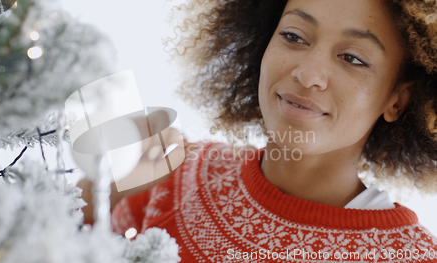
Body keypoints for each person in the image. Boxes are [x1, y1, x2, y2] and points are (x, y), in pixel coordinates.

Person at [81, 0, 437, 261]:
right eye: (294, 36)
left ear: (396, 99)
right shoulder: (174, 167)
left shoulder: (409, 257)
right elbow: (46, 230)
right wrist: (100, 180)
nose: (308, 73)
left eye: (353, 58)